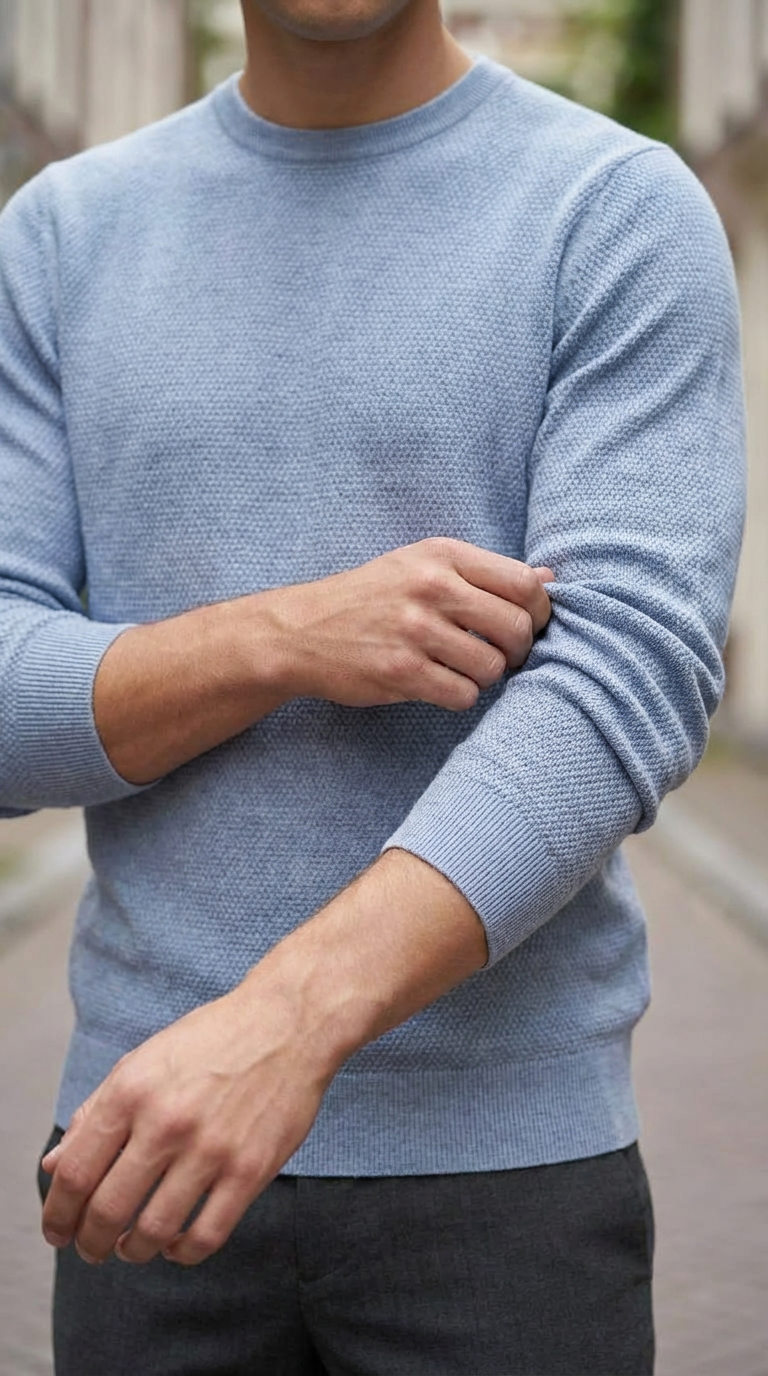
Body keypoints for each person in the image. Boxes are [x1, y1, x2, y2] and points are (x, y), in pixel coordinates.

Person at [0, 0, 744, 1369]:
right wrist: (281, 636)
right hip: (142, 1169)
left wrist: (284, 1029)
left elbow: (624, 679)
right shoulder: (58, 237)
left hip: (506, 1192)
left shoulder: (613, 209)